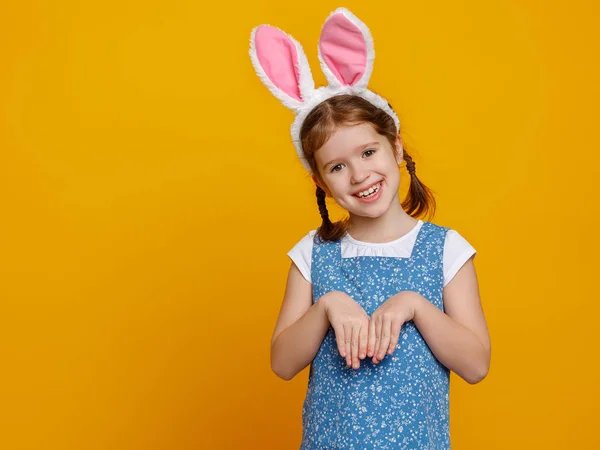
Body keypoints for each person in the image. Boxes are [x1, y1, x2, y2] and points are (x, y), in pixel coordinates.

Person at [249, 7, 491, 449]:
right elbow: (282, 363)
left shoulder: (444, 250)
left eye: (368, 153)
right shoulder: (313, 253)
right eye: (338, 166)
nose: (359, 175)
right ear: (321, 181)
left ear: (395, 146)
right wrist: (327, 306)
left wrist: (415, 305)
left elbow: (475, 365)